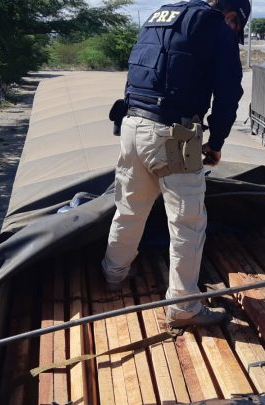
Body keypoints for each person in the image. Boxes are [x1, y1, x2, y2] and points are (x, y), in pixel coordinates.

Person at [102, 0, 249, 328]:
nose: (234, 33)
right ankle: (183, 306)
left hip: (131, 125)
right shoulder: (216, 25)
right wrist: (217, 142)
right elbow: (228, 94)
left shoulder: (160, 16)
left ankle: (113, 277)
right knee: (188, 222)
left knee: (128, 208)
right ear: (231, 16)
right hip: (174, 135)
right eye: (237, 28)